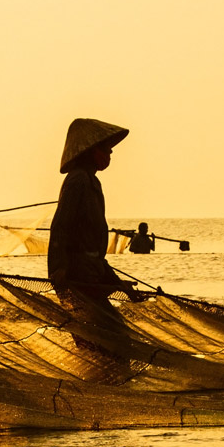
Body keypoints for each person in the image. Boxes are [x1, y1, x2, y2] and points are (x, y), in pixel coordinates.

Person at [48, 118, 133, 377]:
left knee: (107, 337)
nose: (109, 155)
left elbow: (94, 250)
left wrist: (119, 283)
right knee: (110, 335)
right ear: (90, 150)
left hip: (91, 273)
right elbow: (61, 227)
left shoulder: (92, 183)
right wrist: (59, 270)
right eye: (105, 150)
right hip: (77, 276)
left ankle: (104, 384)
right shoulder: (77, 181)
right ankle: (103, 387)